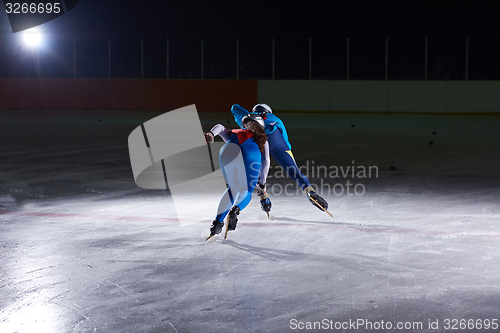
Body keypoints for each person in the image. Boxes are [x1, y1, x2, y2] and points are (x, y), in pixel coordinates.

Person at [231, 103, 328, 213]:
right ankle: (310, 192)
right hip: (277, 141)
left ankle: (263, 198)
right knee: (295, 172)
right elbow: (286, 143)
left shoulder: (248, 117)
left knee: (258, 170)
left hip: (255, 140)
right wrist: (285, 152)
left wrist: (248, 114)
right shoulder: (275, 118)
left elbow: (234, 108)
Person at [204, 114, 269, 238]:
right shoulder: (261, 138)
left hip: (227, 150)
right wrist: (262, 182)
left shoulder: (235, 132)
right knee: (246, 190)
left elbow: (220, 127)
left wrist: (212, 133)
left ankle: (217, 224)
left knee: (232, 188)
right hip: (250, 153)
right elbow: (266, 160)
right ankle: (236, 210)